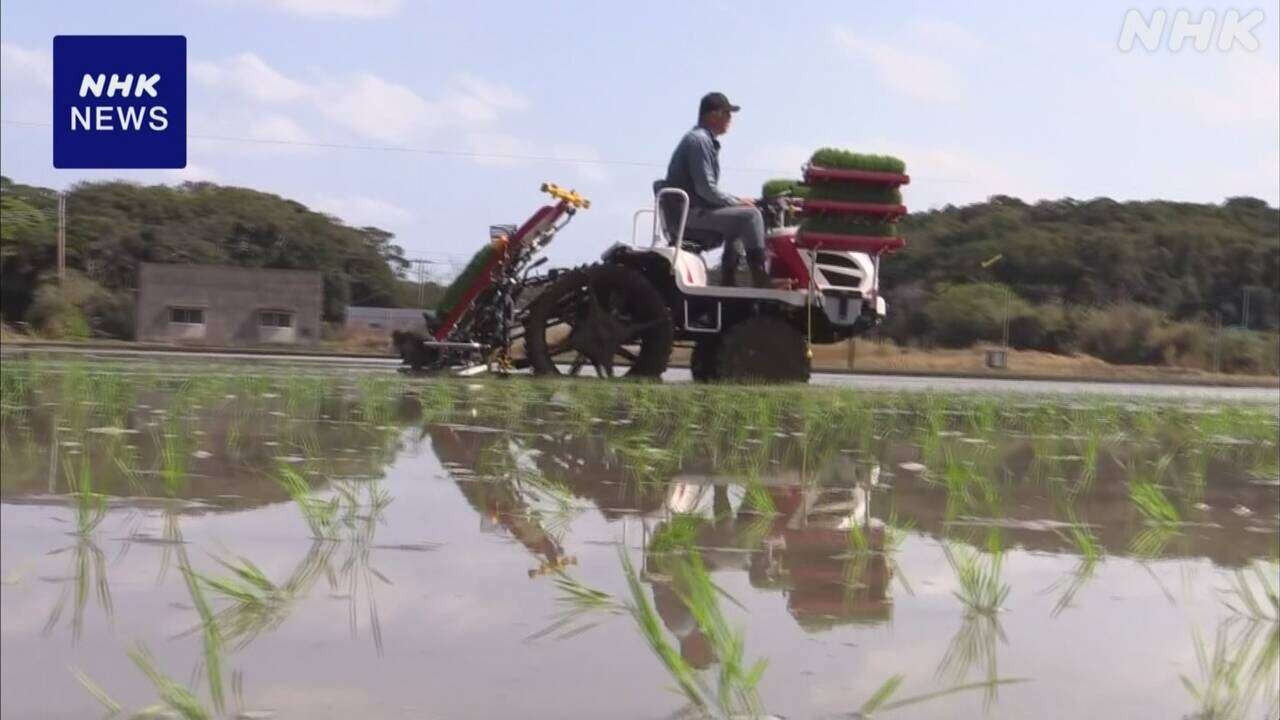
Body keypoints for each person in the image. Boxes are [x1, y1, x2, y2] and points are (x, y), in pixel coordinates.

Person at [661, 92, 770, 287]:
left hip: (691, 210)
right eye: (726, 113)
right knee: (751, 216)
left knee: (742, 216)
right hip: (690, 215)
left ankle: (728, 279)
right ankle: (760, 279)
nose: (730, 119)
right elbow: (706, 190)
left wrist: (739, 202)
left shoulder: (703, 140)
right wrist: (738, 201)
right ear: (712, 116)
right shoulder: (699, 141)